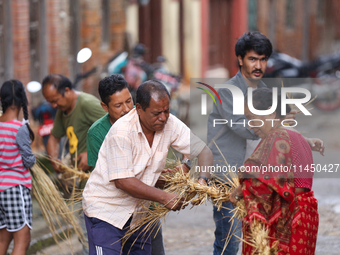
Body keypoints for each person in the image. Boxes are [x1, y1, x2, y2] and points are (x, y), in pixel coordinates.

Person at [207, 31, 323, 255]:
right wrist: (273, 126)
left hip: (259, 176)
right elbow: (241, 126)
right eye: (252, 59)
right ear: (240, 59)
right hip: (229, 174)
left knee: (260, 237)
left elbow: (279, 130)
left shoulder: (264, 92)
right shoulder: (227, 91)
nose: (258, 65)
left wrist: (304, 140)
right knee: (230, 238)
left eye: (263, 59)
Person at [82, 80, 212, 255]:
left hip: (139, 214)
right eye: (157, 113)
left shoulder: (169, 123)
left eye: (167, 111)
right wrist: (164, 197)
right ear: (139, 109)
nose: (163, 117)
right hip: (106, 212)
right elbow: (123, 181)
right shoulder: (121, 132)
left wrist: (203, 180)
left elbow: (204, 151)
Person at [229, 87, 319, 255]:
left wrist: (240, 190)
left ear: (270, 113)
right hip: (305, 220)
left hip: (289, 222)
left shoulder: (276, 138)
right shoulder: (297, 136)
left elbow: (264, 182)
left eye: (251, 118)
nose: (250, 125)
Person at [42, 74, 106, 255]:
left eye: (55, 100)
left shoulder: (87, 103)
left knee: (93, 231)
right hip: (81, 182)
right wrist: (54, 159)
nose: (54, 106)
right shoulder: (63, 111)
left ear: (67, 91)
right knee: (84, 229)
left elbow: (114, 128)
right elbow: (54, 137)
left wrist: (92, 153)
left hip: (98, 180)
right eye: (51, 102)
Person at [0, 80, 36, 255]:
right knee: (23, 240)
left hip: (0, 188)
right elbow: (28, 160)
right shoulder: (19, 129)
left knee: (3, 238)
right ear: (22, 100)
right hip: (15, 189)